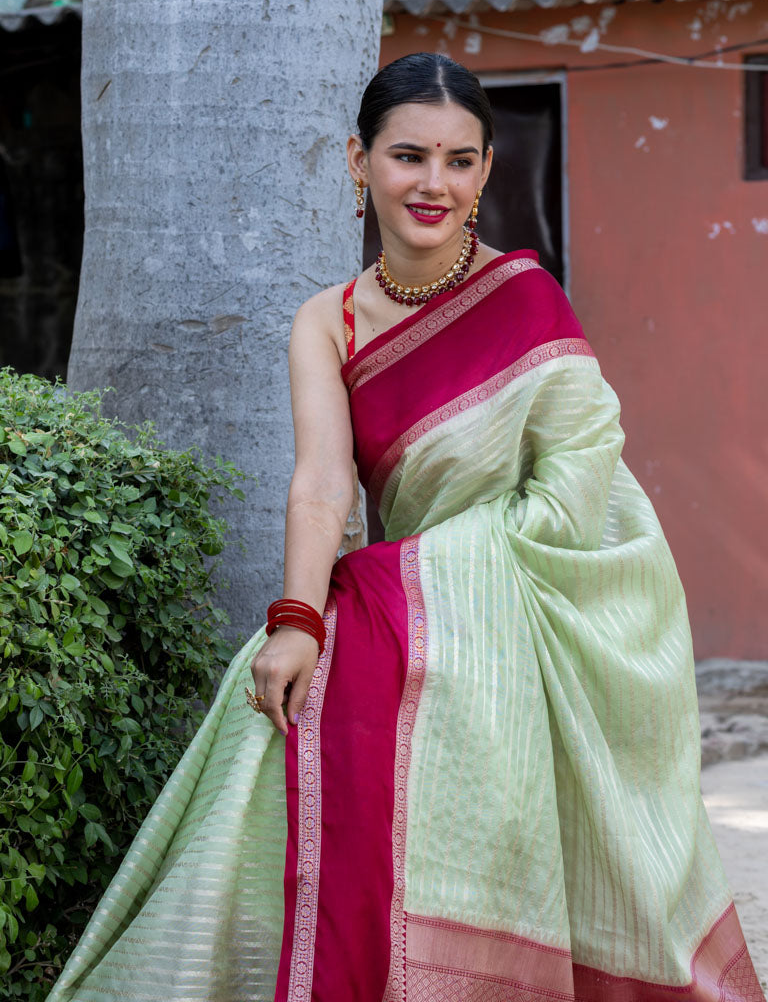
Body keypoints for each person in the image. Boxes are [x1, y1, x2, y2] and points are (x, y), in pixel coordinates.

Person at [49, 53, 764, 1002]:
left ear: (485, 172)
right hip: (416, 605)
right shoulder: (327, 322)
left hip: (555, 590)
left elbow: (585, 464)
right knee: (284, 699)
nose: (435, 184)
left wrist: (444, 578)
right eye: (409, 156)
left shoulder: (524, 295)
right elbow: (320, 484)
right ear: (359, 161)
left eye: (461, 161)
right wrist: (295, 618)